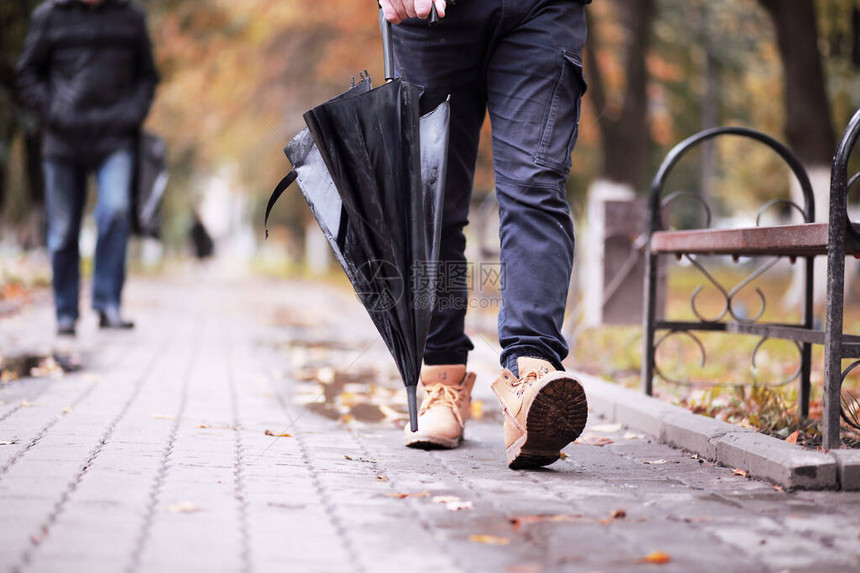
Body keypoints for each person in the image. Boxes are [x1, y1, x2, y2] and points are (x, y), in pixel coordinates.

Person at [380, 0, 590, 469]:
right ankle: (441, 379)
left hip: (541, 9)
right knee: (430, 201)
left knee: (534, 185)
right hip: (428, 16)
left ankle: (530, 377)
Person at [16, 0, 159, 336]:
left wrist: (131, 115)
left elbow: (148, 76)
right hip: (62, 140)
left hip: (114, 139)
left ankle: (108, 303)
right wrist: (52, 112)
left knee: (116, 210)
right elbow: (27, 73)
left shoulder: (130, 17)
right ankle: (66, 311)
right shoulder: (49, 16)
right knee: (63, 229)